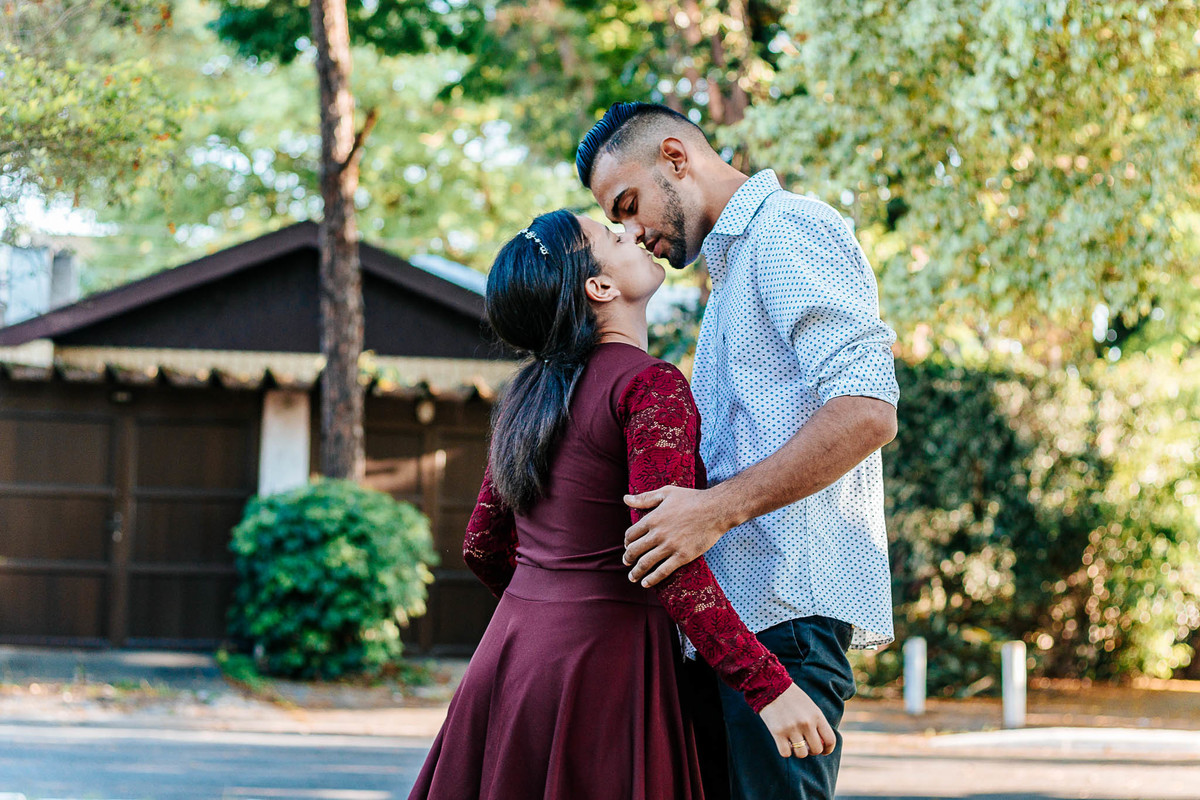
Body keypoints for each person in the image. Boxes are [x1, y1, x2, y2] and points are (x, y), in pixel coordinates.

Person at [408, 210, 839, 800]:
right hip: (605, 666)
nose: (632, 232)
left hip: (512, 657)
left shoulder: (525, 394)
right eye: (613, 236)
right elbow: (668, 556)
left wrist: (547, 607)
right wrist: (770, 686)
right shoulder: (649, 384)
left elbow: (481, 544)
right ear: (600, 287)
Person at [575, 102, 901, 800]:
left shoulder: (787, 231)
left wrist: (716, 510)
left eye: (628, 205)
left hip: (786, 620)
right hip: (742, 629)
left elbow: (868, 409)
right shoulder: (730, 273)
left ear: (675, 156)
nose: (631, 232)